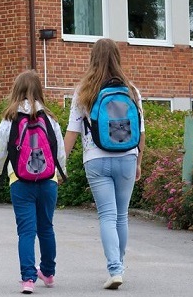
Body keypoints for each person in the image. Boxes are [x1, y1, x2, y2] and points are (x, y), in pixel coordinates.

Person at [63, 38, 146, 290]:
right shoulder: (131, 90)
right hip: (127, 158)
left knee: (107, 216)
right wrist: (139, 162)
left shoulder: (84, 91)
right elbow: (141, 132)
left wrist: (60, 165)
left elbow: (72, 132)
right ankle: (118, 266)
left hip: (96, 159)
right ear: (117, 58)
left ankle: (115, 269)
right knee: (122, 216)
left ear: (93, 59)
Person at [0, 70, 66, 294]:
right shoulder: (50, 119)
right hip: (48, 180)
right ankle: (49, 273)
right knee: (46, 227)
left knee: (26, 231)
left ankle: (28, 279)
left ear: (16, 90)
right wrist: (60, 175)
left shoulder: (10, 119)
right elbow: (59, 152)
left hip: (20, 181)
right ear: (39, 91)